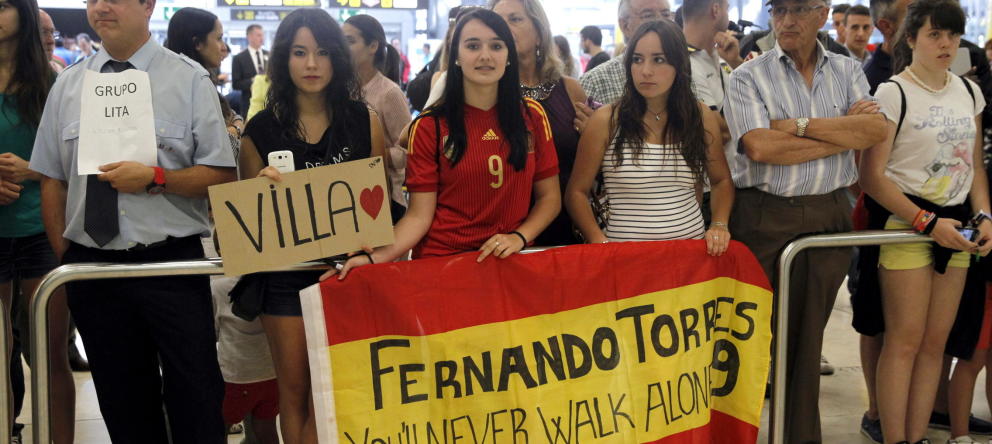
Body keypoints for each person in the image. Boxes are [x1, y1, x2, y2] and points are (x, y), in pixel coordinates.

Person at [30, 0, 237, 441]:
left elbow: (221, 174)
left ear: (148, 6)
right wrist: (68, 254)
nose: (101, 7)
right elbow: (53, 179)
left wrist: (158, 177)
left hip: (171, 266)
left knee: (198, 401)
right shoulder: (67, 85)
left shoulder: (189, 80)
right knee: (123, 405)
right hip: (94, 269)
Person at [724, 0, 888, 440]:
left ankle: (800, 437)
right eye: (778, 10)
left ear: (822, 13)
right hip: (762, 216)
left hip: (829, 213)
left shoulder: (847, 68)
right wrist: (838, 133)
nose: (786, 21)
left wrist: (794, 126)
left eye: (798, 9)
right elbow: (759, 148)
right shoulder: (747, 76)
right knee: (751, 339)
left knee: (806, 340)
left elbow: (874, 131)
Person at [237, 9, 386, 443]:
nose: (312, 64)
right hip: (283, 279)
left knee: (341, 391)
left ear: (337, 58)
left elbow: (375, 210)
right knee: (296, 391)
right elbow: (251, 225)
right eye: (300, 52)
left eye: (322, 52)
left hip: (348, 274)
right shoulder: (260, 131)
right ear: (283, 59)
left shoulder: (365, 120)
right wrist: (259, 190)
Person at [325, 9, 560, 284]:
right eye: (473, 46)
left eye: (496, 46)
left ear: (508, 56)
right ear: (456, 56)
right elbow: (418, 218)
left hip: (509, 263)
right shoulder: (429, 126)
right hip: (443, 266)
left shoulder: (532, 116)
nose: (485, 55)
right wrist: (372, 257)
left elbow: (550, 198)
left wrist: (519, 237)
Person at [860, 0, 991, 441]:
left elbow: (974, 168)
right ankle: (894, 437)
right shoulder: (893, 92)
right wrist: (925, 221)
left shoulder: (969, 91)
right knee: (904, 342)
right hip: (908, 222)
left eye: (953, 35)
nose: (946, 44)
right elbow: (872, 176)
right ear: (911, 38)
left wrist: (985, 214)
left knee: (935, 346)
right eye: (935, 34)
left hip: (957, 227)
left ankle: (915, 437)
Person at [566, 19, 733, 255]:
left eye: (659, 59)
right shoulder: (607, 119)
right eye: (637, 59)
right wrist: (598, 241)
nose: (645, 70)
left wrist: (719, 224)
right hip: (624, 259)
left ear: (679, 64)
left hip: (689, 257)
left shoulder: (700, 116)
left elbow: (721, 180)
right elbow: (576, 192)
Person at [0, 1, 75, 443]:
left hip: (42, 228)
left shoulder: (53, 80)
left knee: (49, 355)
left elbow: (77, 161)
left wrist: (34, 168)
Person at [491, 0, 590, 247]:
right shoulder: (486, 90)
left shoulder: (570, 89)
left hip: (567, 225)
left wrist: (592, 135)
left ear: (539, 33)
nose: (504, 28)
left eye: (514, 19)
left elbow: (589, 164)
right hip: (506, 232)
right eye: (497, 22)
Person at [343, 14, 412, 210]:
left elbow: (409, 152)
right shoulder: (340, 90)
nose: (342, 47)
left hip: (386, 200)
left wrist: (370, 155)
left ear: (373, 46)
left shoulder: (389, 93)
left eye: (350, 41)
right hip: (347, 195)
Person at [580, 0, 673, 105]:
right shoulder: (594, 84)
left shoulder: (684, 72)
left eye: (666, 14)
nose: (661, 22)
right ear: (625, 25)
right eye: (648, 15)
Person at [233, 24, 268, 114]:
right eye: (259, 35)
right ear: (249, 37)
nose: (262, 38)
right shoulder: (239, 58)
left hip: (268, 104)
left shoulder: (269, 55)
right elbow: (236, 84)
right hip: (248, 105)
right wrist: (255, 80)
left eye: (263, 35)